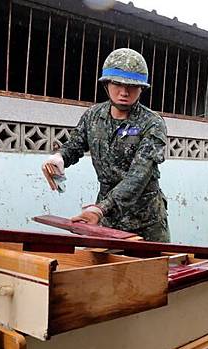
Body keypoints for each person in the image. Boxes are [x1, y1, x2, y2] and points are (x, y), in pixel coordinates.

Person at [41, 48, 170, 242]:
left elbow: (139, 175)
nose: (124, 92)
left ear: (142, 88)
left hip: (146, 222)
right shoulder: (93, 116)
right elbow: (76, 144)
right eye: (117, 84)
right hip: (107, 220)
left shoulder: (152, 123)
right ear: (106, 84)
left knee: (153, 270)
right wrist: (59, 157)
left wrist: (101, 208)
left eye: (132, 86)